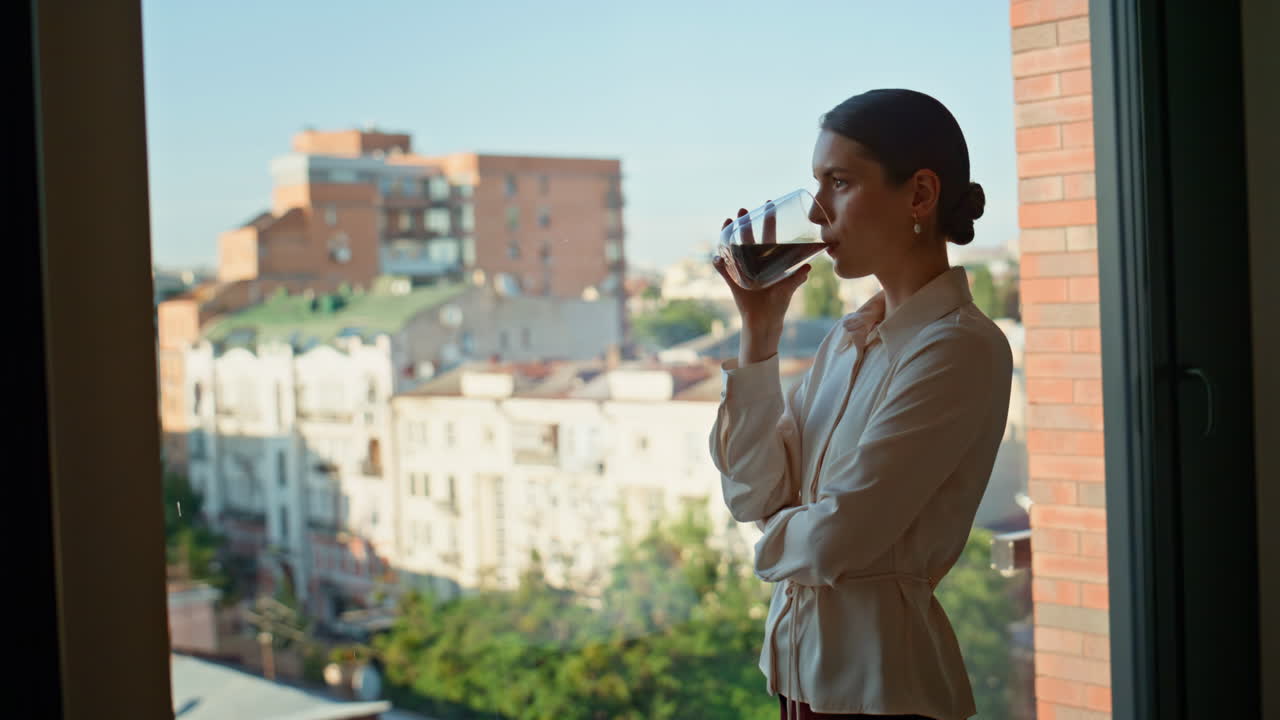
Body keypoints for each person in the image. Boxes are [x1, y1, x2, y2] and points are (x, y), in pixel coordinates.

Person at [709, 88, 1014, 720]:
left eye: (840, 182)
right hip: (799, 684)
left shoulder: (959, 349)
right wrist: (758, 333)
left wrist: (770, 537)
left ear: (920, 195)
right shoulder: (847, 341)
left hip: (884, 695)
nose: (818, 213)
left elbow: (835, 542)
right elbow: (750, 490)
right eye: (817, 185)